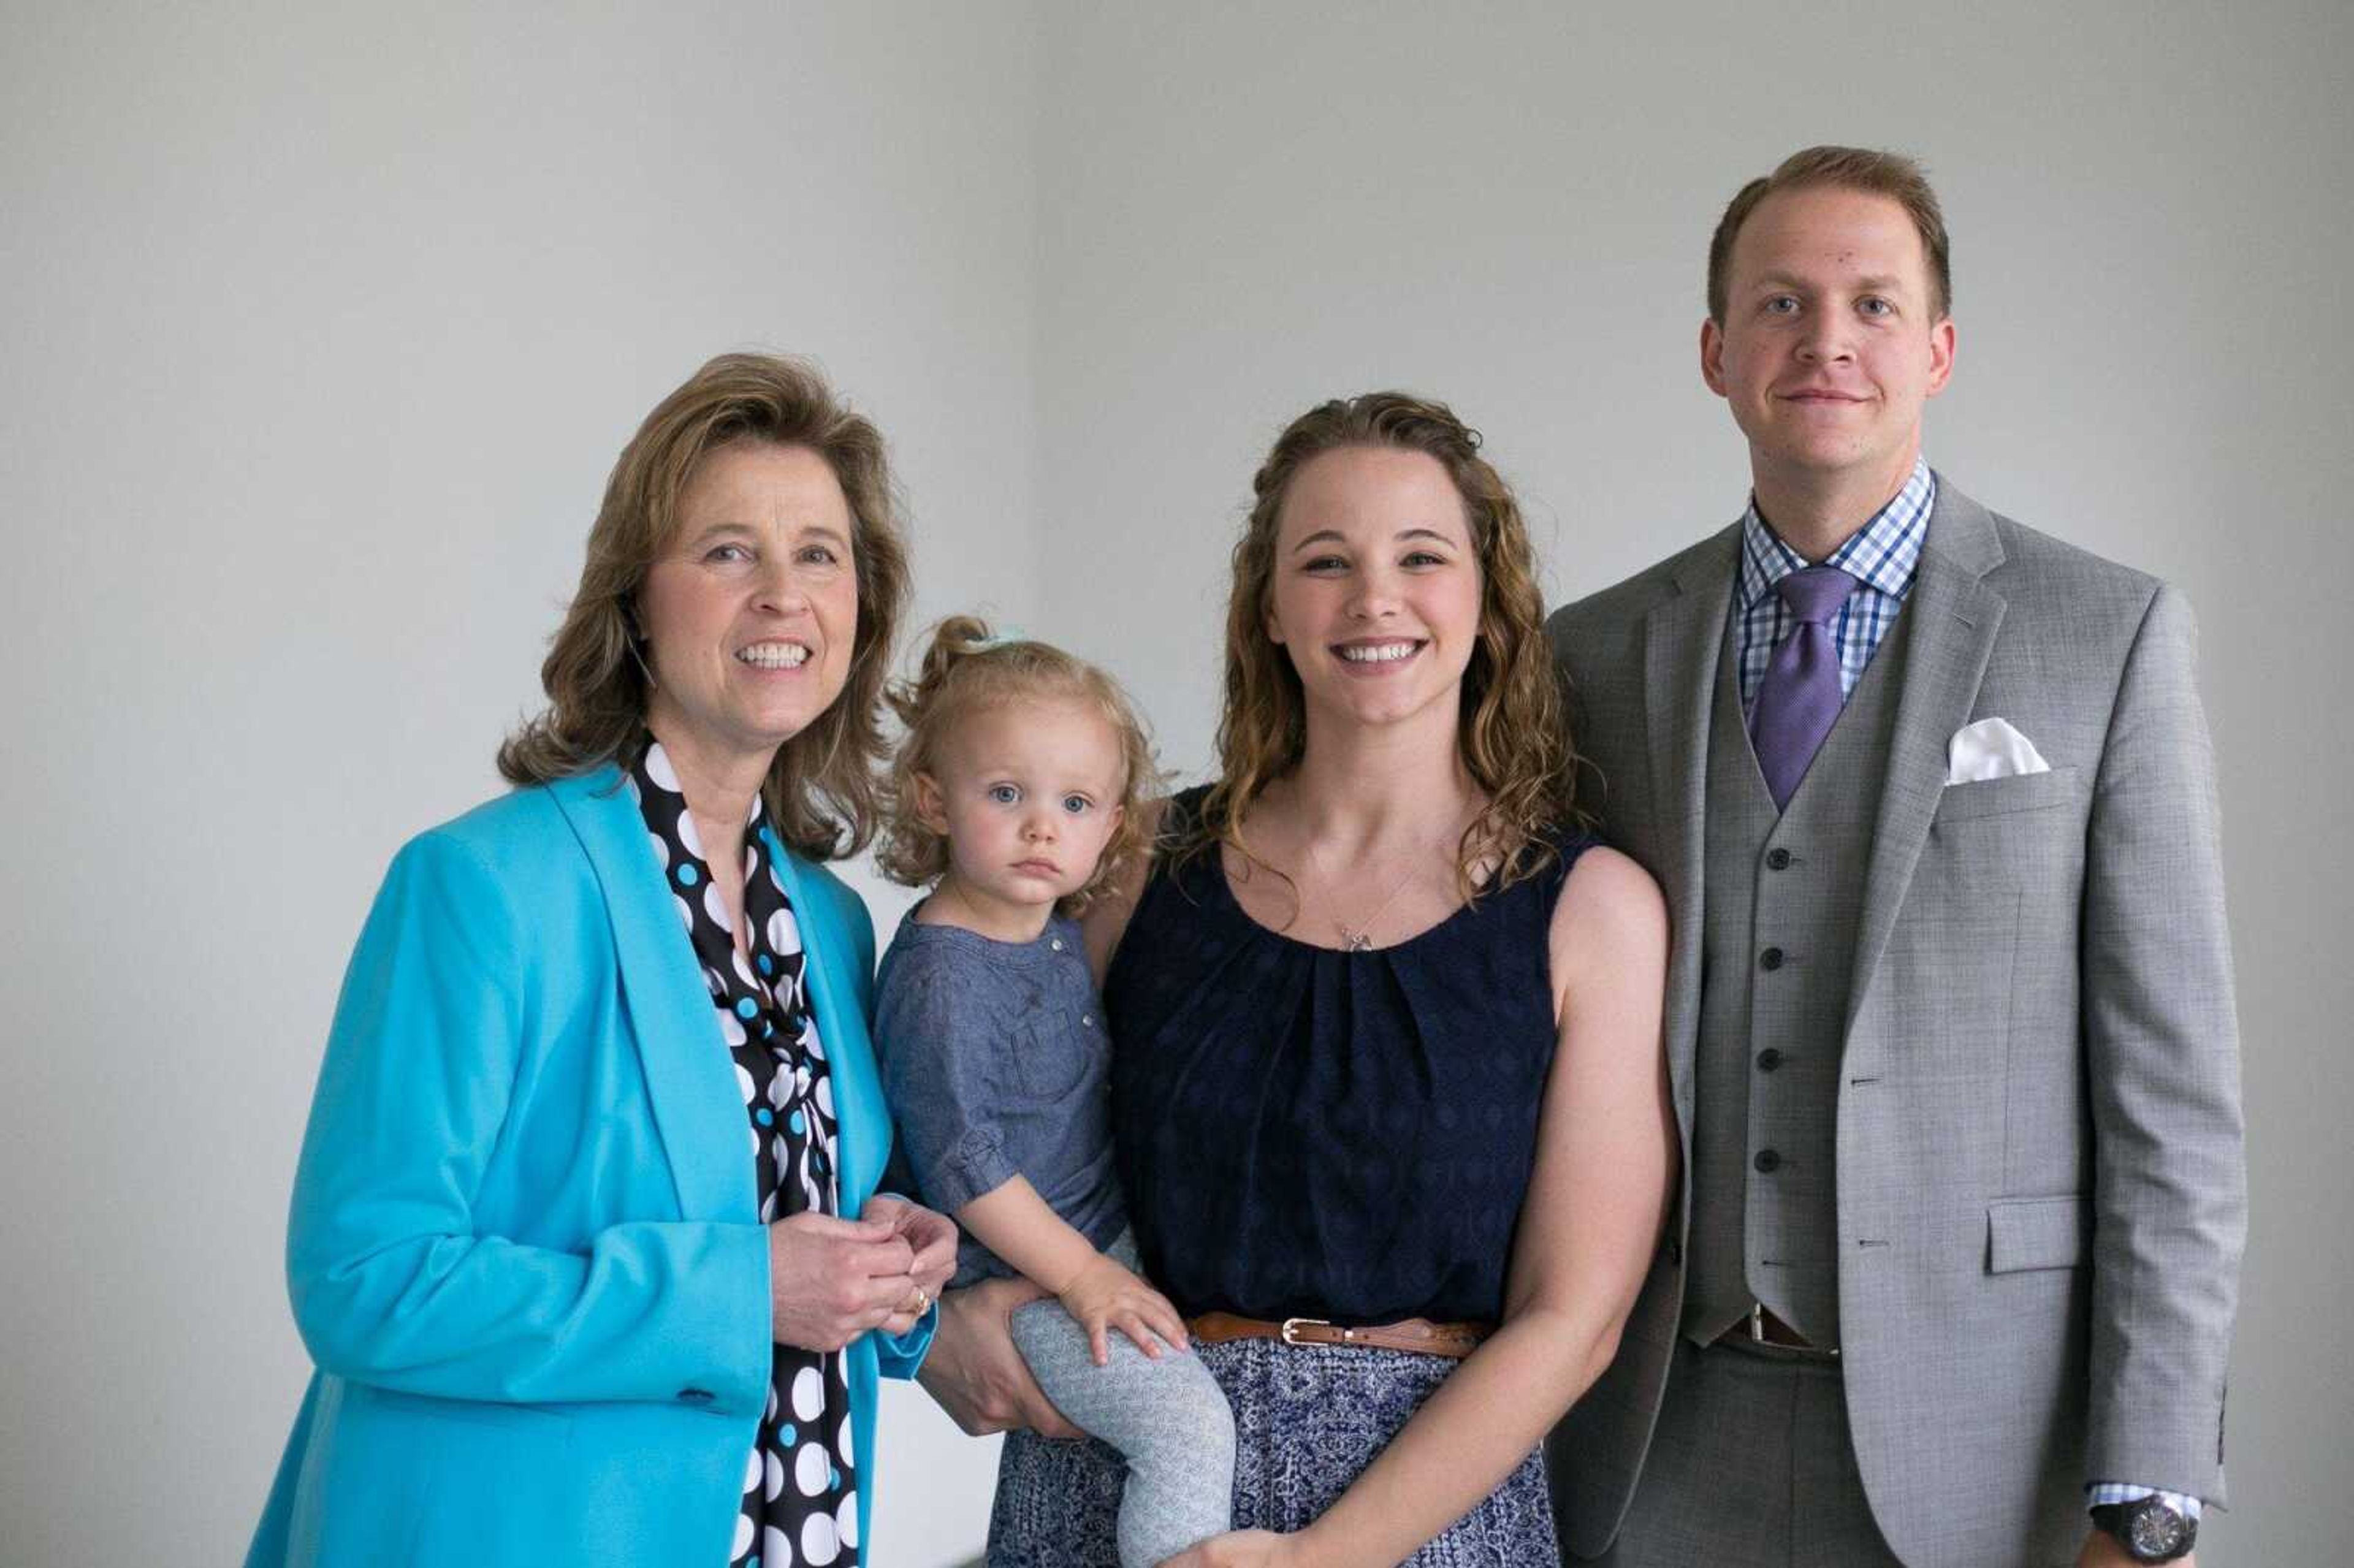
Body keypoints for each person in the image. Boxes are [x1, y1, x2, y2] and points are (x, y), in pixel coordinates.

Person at [1545, 147, 2245, 1568]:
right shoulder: (1593, 653)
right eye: (1783, 303)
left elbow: (2176, 1105)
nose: (1827, 341)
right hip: (1648, 1444)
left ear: (1936, 349)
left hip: (1987, 1453)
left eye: (1873, 304)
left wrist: (2151, 1498)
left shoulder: (2104, 633)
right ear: (1715, 350)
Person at [923, 392, 1675, 1566]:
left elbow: (1575, 1319)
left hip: (1424, 1522)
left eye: (1420, 556)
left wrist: (1328, 1554)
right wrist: (931, 1326)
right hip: (1112, 1486)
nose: (1375, 597)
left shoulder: (1591, 911)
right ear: (1269, 608)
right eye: (1326, 562)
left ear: (1488, 596)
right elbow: (940, 1094)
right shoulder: (1129, 866)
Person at [245, 352, 958, 1567]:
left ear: (860, 614)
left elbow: (784, 1244)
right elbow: (363, 1279)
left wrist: (886, 1260)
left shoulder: (833, 925)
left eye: (820, 554)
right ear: (635, 600)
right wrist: (742, 1291)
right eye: (729, 550)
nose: (783, 594)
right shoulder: (482, 887)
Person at [872, 616, 1237, 1567]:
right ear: (933, 800)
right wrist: (1085, 1278)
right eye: (1006, 793)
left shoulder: (1056, 925)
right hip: (1018, 1276)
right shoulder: (940, 974)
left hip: (1093, 1240)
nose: (1044, 825)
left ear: (1113, 824)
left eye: (1076, 802)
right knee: (1188, 1432)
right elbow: (962, 1162)